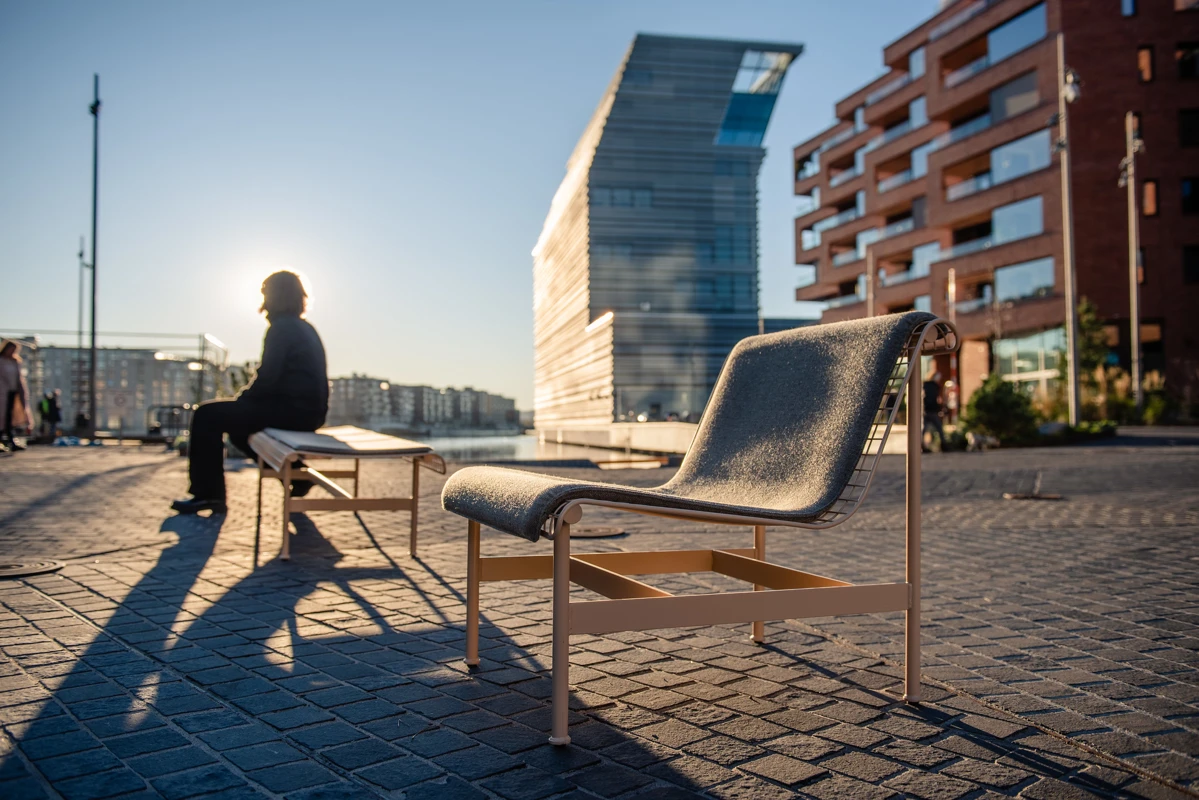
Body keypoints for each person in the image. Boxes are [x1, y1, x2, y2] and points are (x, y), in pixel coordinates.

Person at [171, 271, 329, 514]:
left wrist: (240, 402)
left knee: (206, 415)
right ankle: (298, 479)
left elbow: (268, 378)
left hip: (292, 412)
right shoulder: (304, 327)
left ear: (274, 296)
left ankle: (208, 495)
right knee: (238, 433)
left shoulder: (282, 328)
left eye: (265, 292)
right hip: (308, 412)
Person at [0, 340, 32, 452]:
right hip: (1, 393)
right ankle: (8, 441)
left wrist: (22, 392)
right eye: (11, 349)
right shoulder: (1, 361)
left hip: (12, 393)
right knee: (2, 418)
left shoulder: (15, 362)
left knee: (9, 418)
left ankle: (11, 441)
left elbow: (19, 378)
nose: (12, 352)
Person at [922, 370, 944, 453]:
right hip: (932, 410)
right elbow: (936, 399)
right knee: (939, 428)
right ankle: (944, 445)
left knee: (924, 429)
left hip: (926, 410)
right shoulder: (935, 386)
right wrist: (939, 408)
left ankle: (922, 445)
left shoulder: (925, 385)